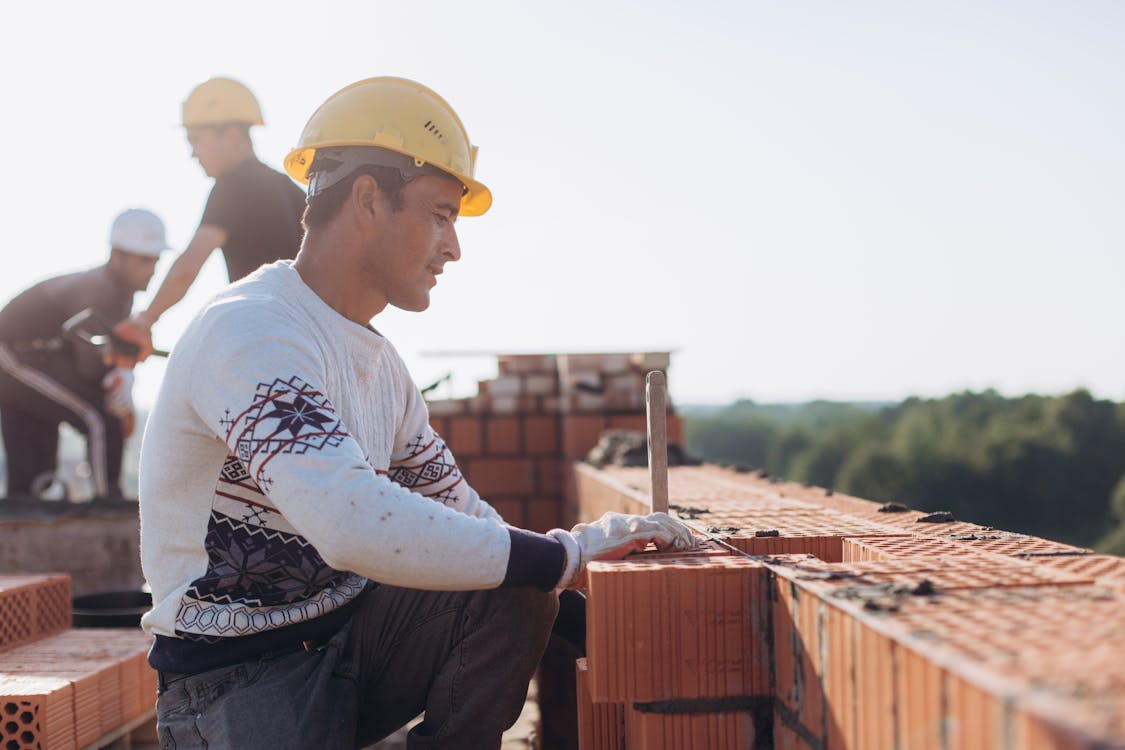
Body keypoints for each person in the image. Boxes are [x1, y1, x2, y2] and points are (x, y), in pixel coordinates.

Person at [139, 76, 695, 749]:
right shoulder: (253, 332)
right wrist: (563, 555)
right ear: (369, 199)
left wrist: (583, 606)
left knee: (515, 585)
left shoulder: (381, 367)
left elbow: (466, 523)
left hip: (348, 642)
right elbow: (349, 522)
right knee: (527, 569)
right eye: (439, 214)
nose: (453, 247)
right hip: (238, 681)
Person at [114, 77, 306, 360]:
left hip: (269, 339)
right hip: (313, 338)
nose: (193, 153)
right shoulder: (291, 190)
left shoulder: (232, 185)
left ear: (231, 134)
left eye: (196, 140)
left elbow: (187, 268)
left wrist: (145, 319)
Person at [0, 208, 167, 502]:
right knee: (98, 417)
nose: (152, 269)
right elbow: (90, 366)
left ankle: (28, 508)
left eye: (155, 260)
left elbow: (99, 359)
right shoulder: (96, 289)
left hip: (43, 359)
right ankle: (108, 500)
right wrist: (120, 384)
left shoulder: (122, 296)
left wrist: (121, 378)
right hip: (12, 357)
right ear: (118, 257)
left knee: (30, 480)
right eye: (144, 260)